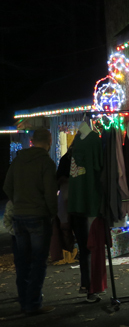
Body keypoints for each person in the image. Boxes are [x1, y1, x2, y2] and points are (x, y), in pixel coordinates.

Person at [3, 129, 58, 315]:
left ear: (32, 141)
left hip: (19, 216)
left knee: (22, 261)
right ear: (49, 141)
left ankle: (24, 301)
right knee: (38, 261)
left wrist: (19, 201)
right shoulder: (47, 163)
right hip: (38, 216)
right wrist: (52, 213)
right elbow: (51, 193)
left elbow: (7, 186)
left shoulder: (18, 161)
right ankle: (33, 304)